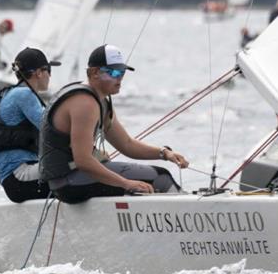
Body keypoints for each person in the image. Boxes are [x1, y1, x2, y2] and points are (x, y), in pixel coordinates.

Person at [39, 44, 189, 203]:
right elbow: (83, 160)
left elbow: (126, 144)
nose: (119, 79)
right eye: (114, 72)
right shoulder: (84, 103)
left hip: (75, 178)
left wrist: (165, 153)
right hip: (67, 182)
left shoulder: (101, 100)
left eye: (122, 73)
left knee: (155, 177)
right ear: (94, 73)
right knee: (161, 178)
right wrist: (126, 184)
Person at [0, 47, 61, 202]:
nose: (50, 76)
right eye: (49, 70)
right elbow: (54, 130)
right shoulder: (23, 95)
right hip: (19, 178)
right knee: (82, 170)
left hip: (15, 179)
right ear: (39, 73)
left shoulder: (12, 94)